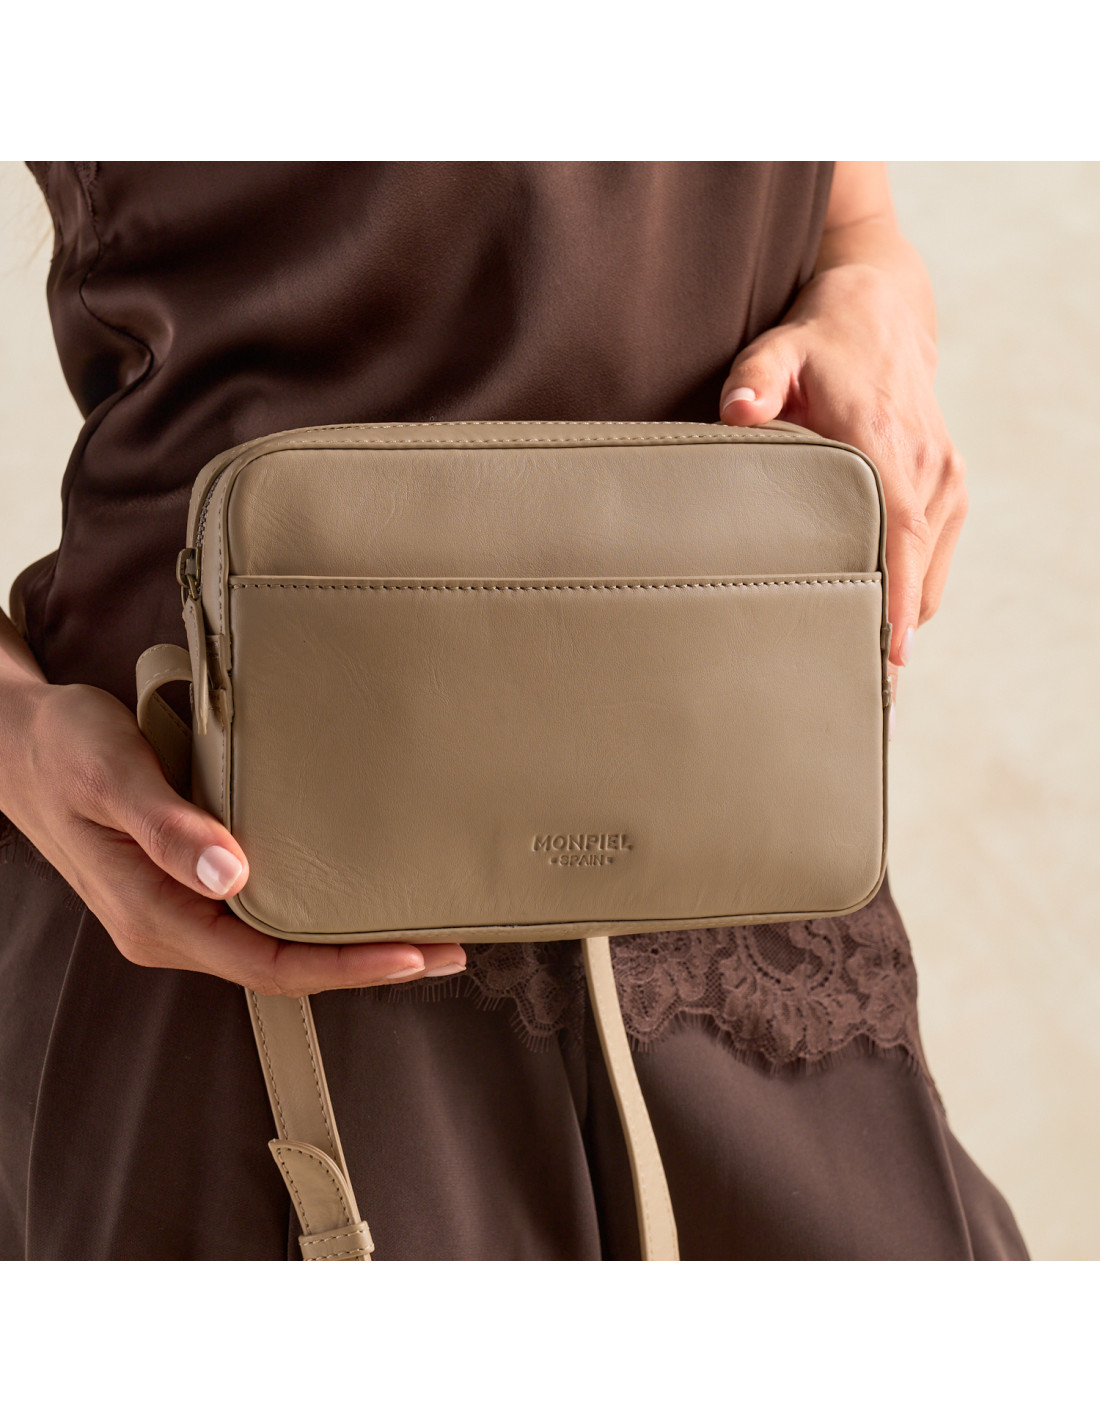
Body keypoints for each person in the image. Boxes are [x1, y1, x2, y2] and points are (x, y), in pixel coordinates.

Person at [0, 161, 1027, 1259]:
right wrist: (15, 735)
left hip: (735, 862)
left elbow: (850, 219)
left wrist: (878, 302)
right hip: (233, 874)